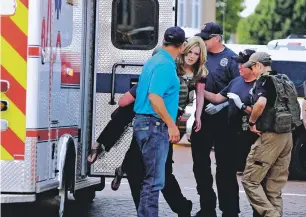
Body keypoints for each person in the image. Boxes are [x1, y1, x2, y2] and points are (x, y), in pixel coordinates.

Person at [133, 26, 185, 217]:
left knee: (150, 179)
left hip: (144, 123)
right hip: (155, 125)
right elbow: (155, 97)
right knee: (154, 181)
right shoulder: (165, 65)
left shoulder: (153, 61)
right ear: (181, 46)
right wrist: (171, 124)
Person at [191, 22, 240, 217]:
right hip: (203, 118)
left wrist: (223, 104)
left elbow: (239, 91)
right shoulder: (199, 57)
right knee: (200, 165)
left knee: (225, 168)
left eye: (206, 37)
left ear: (217, 38)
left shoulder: (231, 59)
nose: (202, 40)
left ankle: (230, 211)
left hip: (225, 121)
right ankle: (207, 208)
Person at [242, 52, 294, 217]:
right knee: (273, 187)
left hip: (271, 137)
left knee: (250, 180)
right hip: (287, 136)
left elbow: (260, 103)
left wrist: (251, 122)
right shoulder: (283, 79)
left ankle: (272, 215)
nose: (252, 71)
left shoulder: (264, 81)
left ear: (258, 65)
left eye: (252, 67)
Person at [203, 49, 259, 172]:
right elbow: (217, 98)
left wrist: (242, 106)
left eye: (242, 64)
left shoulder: (260, 85)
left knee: (251, 176)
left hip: (251, 137)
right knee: (228, 170)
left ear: (253, 66)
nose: (238, 67)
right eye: (238, 63)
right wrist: (200, 89)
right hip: (232, 135)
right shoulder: (236, 81)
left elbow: (261, 112)